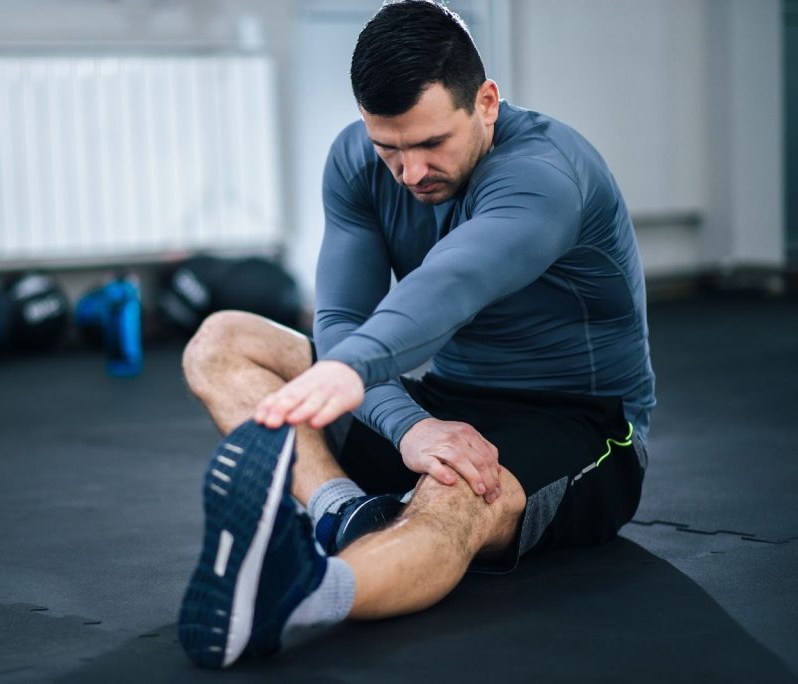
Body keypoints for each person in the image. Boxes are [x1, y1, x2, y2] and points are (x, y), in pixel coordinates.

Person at [177, 0, 655, 669]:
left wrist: (350, 375)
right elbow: (341, 320)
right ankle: (346, 516)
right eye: (389, 147)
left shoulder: (544, 176)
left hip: (576, 424)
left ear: (485, 102)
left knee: (453, 496)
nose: (410, 172)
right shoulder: (356, 161)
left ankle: (300, 594)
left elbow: (452, 284)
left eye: (432, 144)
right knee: (223, 340)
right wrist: (408, 427)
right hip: (441, 401)